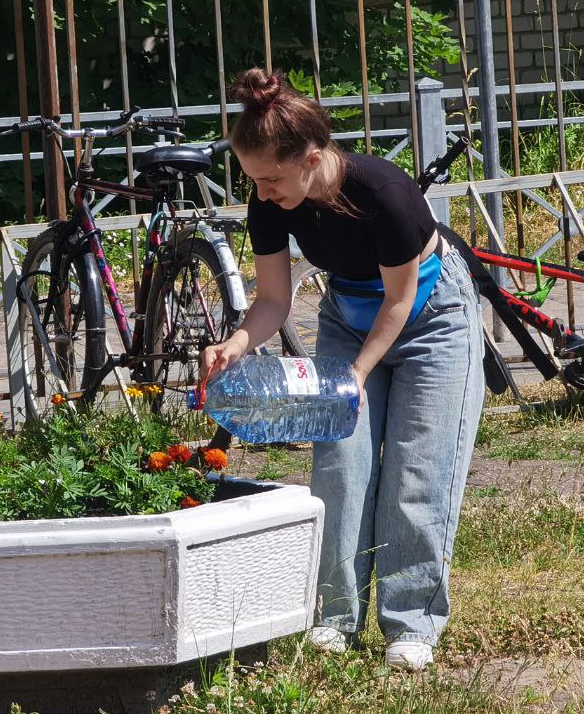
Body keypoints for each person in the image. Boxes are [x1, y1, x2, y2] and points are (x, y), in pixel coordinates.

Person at [200, 68, 485, 672]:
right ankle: (335, 618)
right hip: (349, 318)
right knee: (341, 467)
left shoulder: (384, 191)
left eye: (272, 178)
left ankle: (412, 623)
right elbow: (274, 301)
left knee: (418, 470)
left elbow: (400, 303)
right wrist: (236, 345)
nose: (264, 192)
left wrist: (353, 376)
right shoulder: (271, 203)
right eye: (253, 181)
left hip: (433, 320)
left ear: (312, 157)